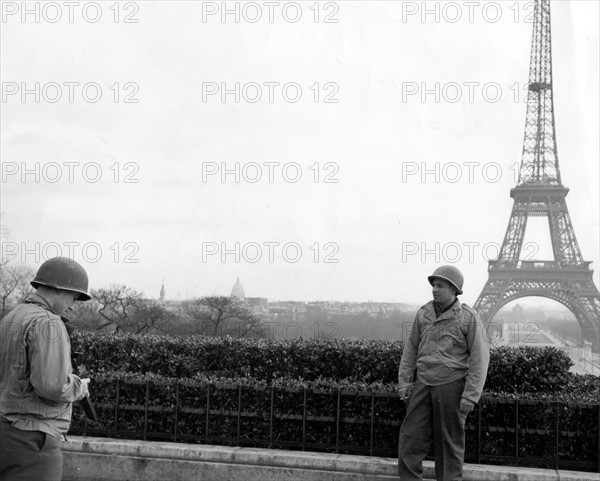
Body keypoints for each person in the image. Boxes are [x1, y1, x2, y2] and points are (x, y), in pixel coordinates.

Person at [0, 257, 92, 481]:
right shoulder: (49, 322)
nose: (73, 305)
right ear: (59, 289)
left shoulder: (12, 317)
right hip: (34, 439)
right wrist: (79, 387)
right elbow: (52, 387)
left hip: (7, 431)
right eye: (74, 296)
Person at [397, 265, 489, 481]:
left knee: (449, 446)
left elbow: (480, 358)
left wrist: (470, 395)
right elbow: (411, 348)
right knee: (410, 440)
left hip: (452, 387)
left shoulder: (469, 318)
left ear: (454, 289)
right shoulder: (423, 313)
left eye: (440, 286)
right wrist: (404, 381)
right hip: (422, 384)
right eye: (433, 286)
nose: (434, 290)